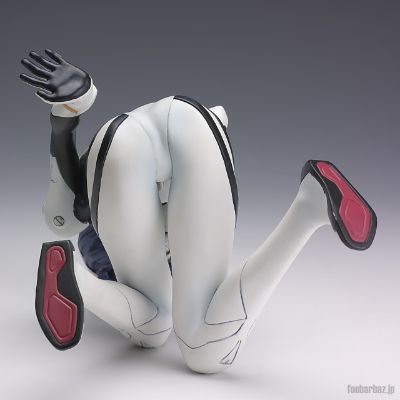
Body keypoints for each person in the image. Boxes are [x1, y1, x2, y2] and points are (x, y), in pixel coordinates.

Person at [20, 50, 377, 373]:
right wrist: (66, 117)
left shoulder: (102, 247)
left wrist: (65, 119)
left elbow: (64, 220)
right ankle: (312, 203)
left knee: (157, 325)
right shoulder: (118, 230)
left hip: (120, 148)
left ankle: (81, 282)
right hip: (188, 117)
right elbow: (63, 215)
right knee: (190, 332)